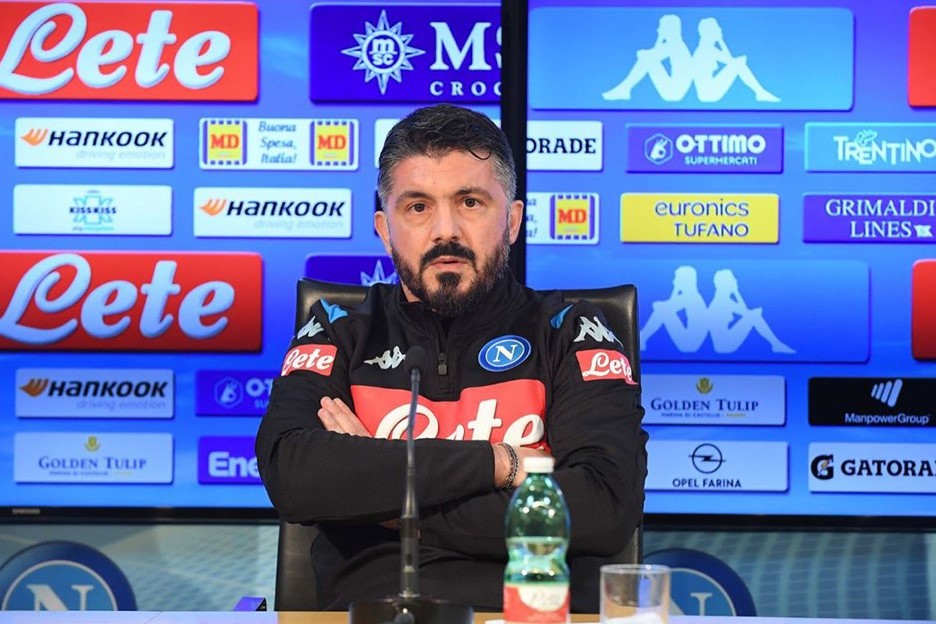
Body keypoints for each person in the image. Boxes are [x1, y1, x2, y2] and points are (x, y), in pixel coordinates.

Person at [255, 104, 647, 612]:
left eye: (470, 202)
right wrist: (500, 463)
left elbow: (602, 506)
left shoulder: (572, 331)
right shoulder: (339, 329)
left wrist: (384, 496)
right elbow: (295, 475)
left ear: (512, 221)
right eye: (418, 207)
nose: (446, 230)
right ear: (384, 229)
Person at [602, 14, 693, 102]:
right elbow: (653, 52)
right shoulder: (675, 44)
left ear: (668, 29)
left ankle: (624, 89)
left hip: (673, 92)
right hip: (674, 91)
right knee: (647, 58)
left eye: (661, 27)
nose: (658, 30)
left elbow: (647, 54)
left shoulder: (675, 45)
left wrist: (660, 38)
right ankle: (624, 88)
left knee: (647, 59)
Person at [691, 17, 779, 103]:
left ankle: (760, 92)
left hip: (707, 92)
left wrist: (720, 40)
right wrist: (720, 40)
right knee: (739, 64)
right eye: (717, 27)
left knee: (738, 63)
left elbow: (729, 60)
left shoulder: (707, 48)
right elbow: (730, 61)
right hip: (709, 93)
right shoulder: (706, 49)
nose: (720, 29)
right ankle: (760, 92)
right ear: (711, 31)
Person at [707, 269, 793, 353]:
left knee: (754, 315)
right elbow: (746, 313)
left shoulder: (724, 300)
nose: (736, 280)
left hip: (724, 344)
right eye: (733, 279)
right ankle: (776, 344)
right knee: (754, 316)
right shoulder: (721, 301)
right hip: (724, 345)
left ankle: (776, 344)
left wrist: (736, 292)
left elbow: (744, 311)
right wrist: (736, 292)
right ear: (727, 283)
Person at [639, 265, 708, 352]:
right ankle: (642, 337)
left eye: (677, 278)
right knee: (663, 310)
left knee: (662, 311)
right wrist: (675, 290)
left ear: (685, 281)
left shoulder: (691, 297)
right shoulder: (690, 295)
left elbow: (667, 306)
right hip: (689, 340)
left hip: (690, 343)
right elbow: (670, 303)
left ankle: (642, 337)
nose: (674, 281)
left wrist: (675, 289)